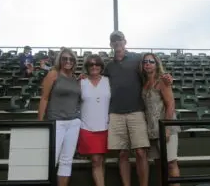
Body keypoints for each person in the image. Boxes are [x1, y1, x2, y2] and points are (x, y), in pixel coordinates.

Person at [104, 31, 173, 186]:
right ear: (110, 44)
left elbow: (153, 67)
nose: (117, 42)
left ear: (125, 41)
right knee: (122, 154)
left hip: (137, 112)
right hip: (116, 113)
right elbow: (97, 80)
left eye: (119, 39)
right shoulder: (108, 66)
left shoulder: (137, 59)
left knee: (141, 153)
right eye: (113, 40)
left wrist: (166, 76)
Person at [38, 47, 81, 186]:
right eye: (65, 58)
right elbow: (44, 98)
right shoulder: (53, 74)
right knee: (51, 159)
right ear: (60, 60)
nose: (68, 61)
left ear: (74, 61)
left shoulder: (75, 78)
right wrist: (40, 121)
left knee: (67, 161)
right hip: (56, 122)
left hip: (73, 122)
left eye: (71, 59)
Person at [141, 53, 181, 186]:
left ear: (156, 64)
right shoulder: (145, 83)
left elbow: (170, 104)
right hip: (152, 130)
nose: (148, 64)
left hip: (165, 128)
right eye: (145, 61)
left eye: (151, 61)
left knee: (171, 163)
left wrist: (167, 129)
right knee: (159, 165)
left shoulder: (163, 80)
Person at [77, 54, 111, 186]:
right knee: (96, 160)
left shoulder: (108, 80)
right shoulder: (81, 82)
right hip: (87, 127)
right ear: (87, 67)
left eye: (97, 64)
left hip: (106, 126)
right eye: (91, 64)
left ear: (101, 66)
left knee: (102, 160)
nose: (94, 66)